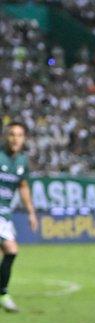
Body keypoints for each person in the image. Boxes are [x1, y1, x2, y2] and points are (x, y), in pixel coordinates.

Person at [0, 122, 39, 313]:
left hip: (4, 213)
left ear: (24, 139)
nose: (15, 138)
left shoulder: (22, 161)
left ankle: (2, 293)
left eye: (19, 135)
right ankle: (3, 294)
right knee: (10, 249)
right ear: (5, 137)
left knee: (11, 252)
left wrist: (31, 213)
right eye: (12, 134)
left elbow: (23, 186)